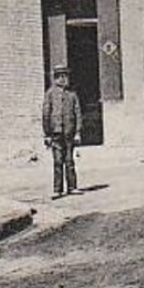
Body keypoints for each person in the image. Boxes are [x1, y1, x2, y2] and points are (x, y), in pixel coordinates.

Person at [41, 64, 83, 199]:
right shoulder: (50, 94)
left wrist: (77, 132)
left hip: (69, 133)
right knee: (58, 161)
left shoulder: (72, 94)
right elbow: (46, 114)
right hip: (55, 133)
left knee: (69, 161)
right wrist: (47, 134)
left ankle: (72, 187)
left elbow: (78, 114)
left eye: (65, 76)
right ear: (55, 78)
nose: (63, 79)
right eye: (59, 77)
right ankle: (57, 189)